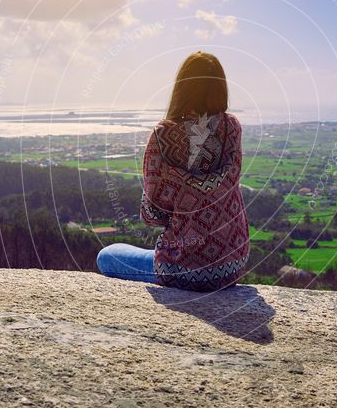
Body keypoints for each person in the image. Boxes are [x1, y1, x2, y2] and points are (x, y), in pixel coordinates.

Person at [96, 51, 250, 292]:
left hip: (185, 270)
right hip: (233, 265)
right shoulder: (232, 127)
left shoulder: (163, 136)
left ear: (182, 88)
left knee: (107, 256)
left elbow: (152, 215)